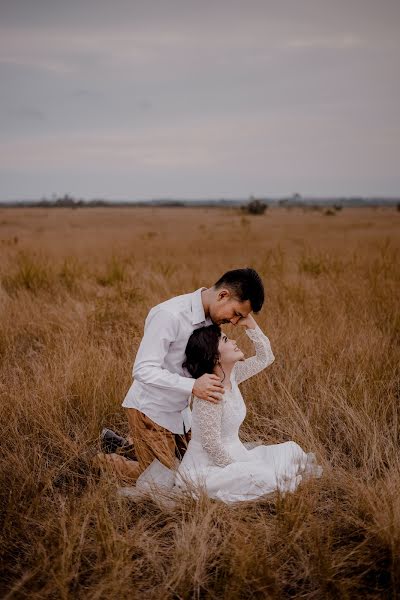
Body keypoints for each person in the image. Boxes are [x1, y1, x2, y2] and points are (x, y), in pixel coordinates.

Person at [116, 268, 265, 480]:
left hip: (182, 414)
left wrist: (252, 326)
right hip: (152, 411)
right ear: (223, 295)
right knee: (161, 481)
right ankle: (102, 461)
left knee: (194, 469)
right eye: (236, 314)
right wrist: (192, 386)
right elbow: (143, 369)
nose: (234, 322)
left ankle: (124, 444)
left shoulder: (212, 319)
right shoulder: (169, 314)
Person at [166, 314, 322, 502]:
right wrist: (239, 467)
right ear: (215, 356)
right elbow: (211, 445)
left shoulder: (232, 375)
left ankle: (253, 470)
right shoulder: (210, 393)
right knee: (265, 477)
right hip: (208, 466)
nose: (233, 341)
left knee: (292, 451)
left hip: (236, 452)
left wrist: (250, 324)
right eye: (225, 339)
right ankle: (250, 474)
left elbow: (266, 358)